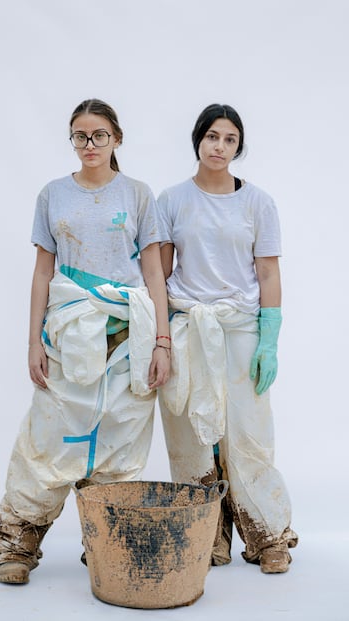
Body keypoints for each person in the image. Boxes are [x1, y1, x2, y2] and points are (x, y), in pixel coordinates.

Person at [0, 98, 171, 584]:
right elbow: (43, 272)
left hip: (125, 334)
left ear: (117, 140)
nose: (88, 145)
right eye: (79, 136)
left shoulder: (137, 194)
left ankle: (105, 546)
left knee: (118, 439)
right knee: (48, 437)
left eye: (99, 136)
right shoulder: (52, 195)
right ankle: (18, 543)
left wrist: (161, 341)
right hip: (67, 333)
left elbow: (153, 269)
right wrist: (33, 340)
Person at [157, 103, 298, 574]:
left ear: (239, 146)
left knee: (248, 435)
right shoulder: (172, 200)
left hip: (239, 327)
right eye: (212, 136)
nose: (219, 146)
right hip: (189, 325)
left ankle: (268, 537)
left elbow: (268, 270)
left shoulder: (258, 202)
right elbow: (160, 271)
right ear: (198, 140)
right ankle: (206, 538)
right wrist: (157, 334)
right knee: (192, 437)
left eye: (230, 139)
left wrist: (269, 338)